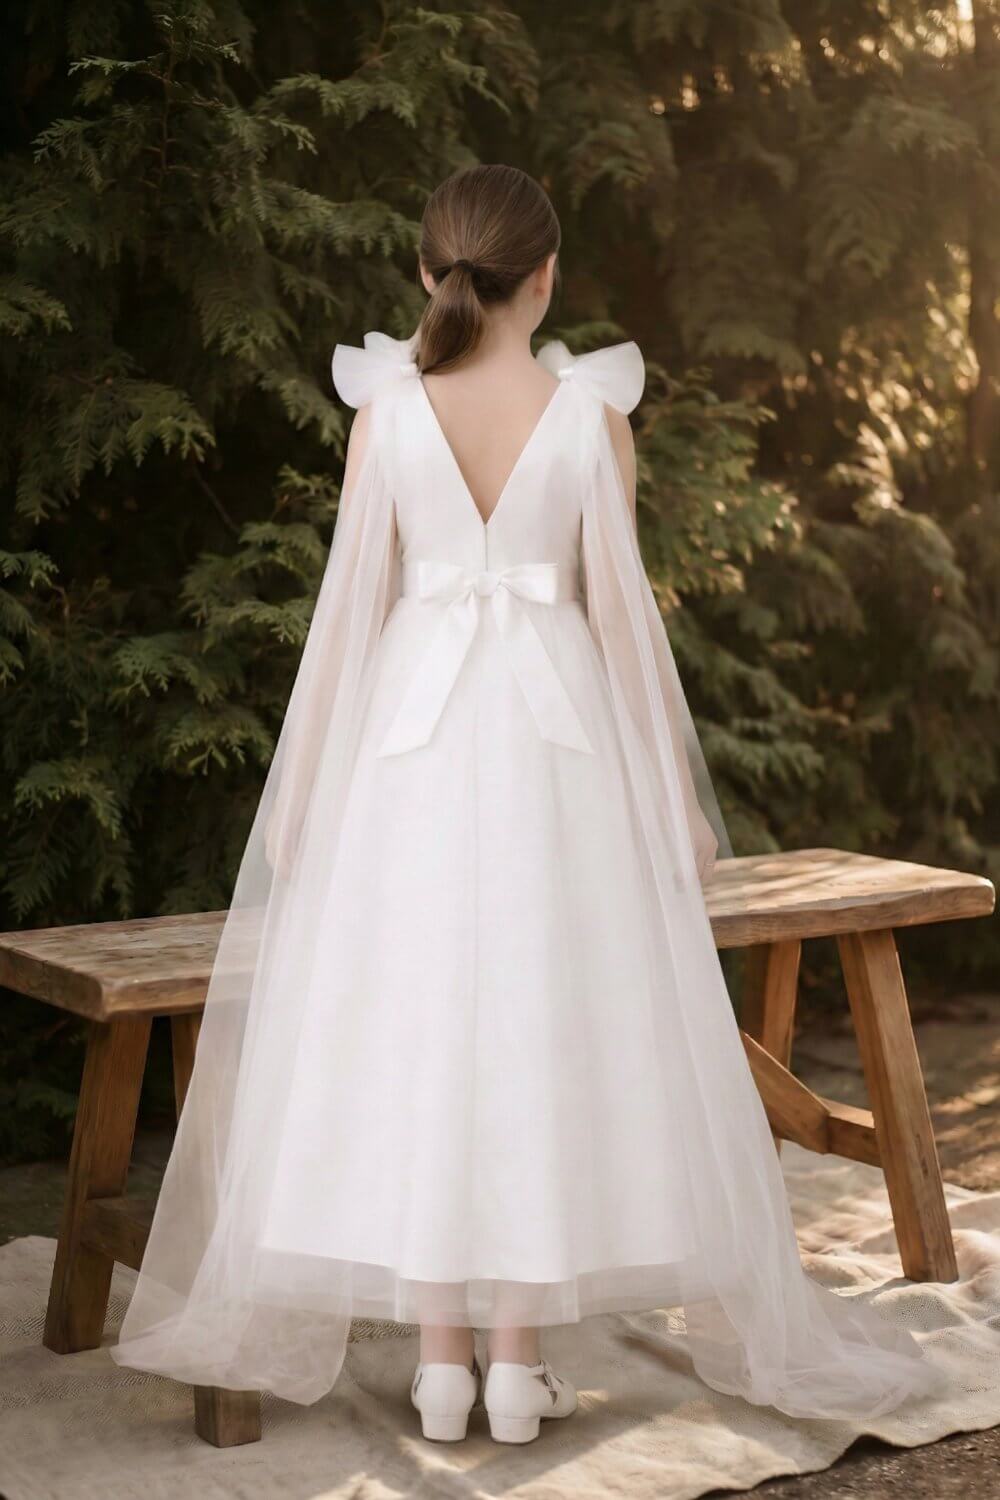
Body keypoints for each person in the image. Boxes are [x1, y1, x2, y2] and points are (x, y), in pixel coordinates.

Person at [111, 164, 941, 1444]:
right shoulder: (587, 416)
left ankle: (443, 1363)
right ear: (544, 275)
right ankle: (511, 1364)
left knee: (422, 1015)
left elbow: (342, 624)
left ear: (429, 274)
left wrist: (302, 794)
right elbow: (621, 625)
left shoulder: (385, 418)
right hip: (557, 743)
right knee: (547, 1014)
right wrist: (673, 798)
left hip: (409, 743)